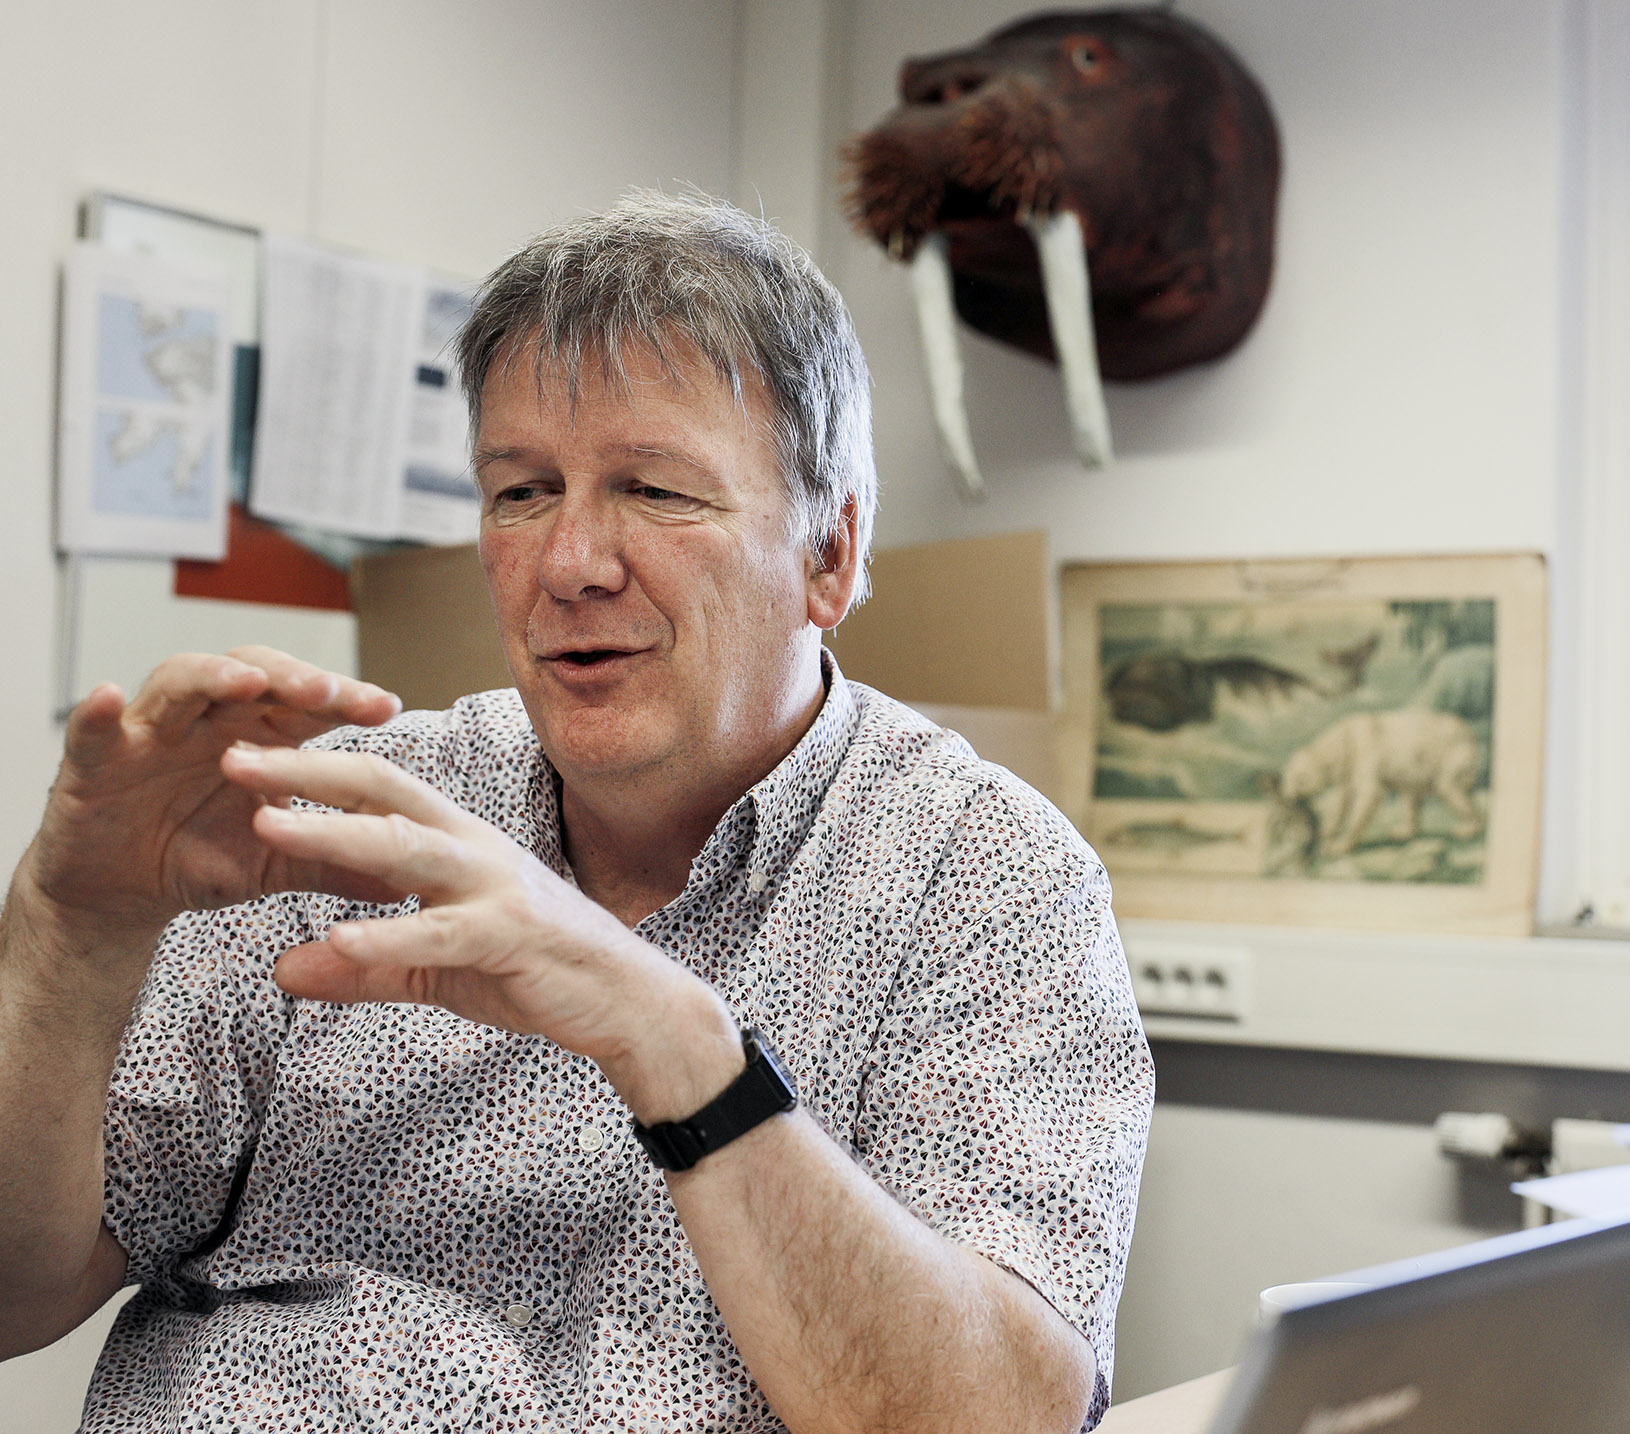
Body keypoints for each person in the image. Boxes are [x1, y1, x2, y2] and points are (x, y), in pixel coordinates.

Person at [0, 191, 1152, 1432]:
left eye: (655, 491)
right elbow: (17, 1296)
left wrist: (668, 1042)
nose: (568, 565)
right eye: (521, 492)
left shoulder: (986, 879)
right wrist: (72, 931)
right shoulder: (346, 820)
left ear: (828, 553)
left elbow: (994, 1421)